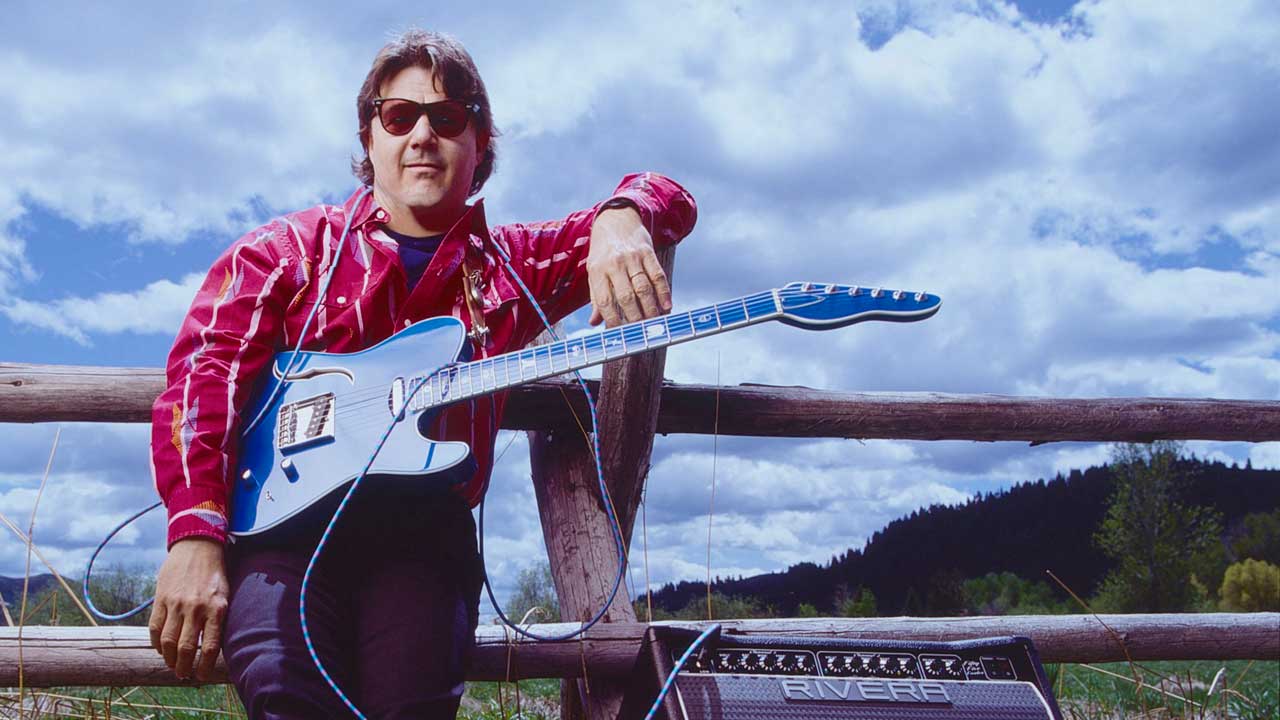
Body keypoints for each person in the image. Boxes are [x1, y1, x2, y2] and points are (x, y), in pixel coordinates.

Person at [147, 29, 697, 719]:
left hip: (424, 538)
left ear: (481, 143)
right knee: (283, 689)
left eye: (449, 116)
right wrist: (195, 534)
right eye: (399, 116)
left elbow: (671, 193)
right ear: (369, 138)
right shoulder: (287, 252)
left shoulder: (509, 266)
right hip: (282, 533)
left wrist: (622, 217)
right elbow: (205, 374)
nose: (422, 135)